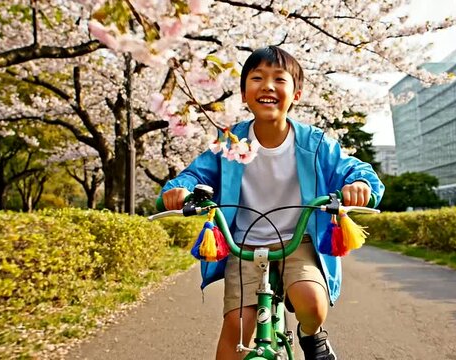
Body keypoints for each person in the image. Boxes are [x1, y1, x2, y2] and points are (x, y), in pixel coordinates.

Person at [160, 45, 384, 360]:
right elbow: (193, 174)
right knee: (237, 328)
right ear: (243, 93)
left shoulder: (314, 142)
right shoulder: (230, 142)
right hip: (244, 245)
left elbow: (358, 172)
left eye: (279, 79)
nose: (267, 86)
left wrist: (359, 185)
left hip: (298, 241)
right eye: (257, 78)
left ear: (297, 94)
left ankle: (311, 335)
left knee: (311, 304)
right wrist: (179, 190)